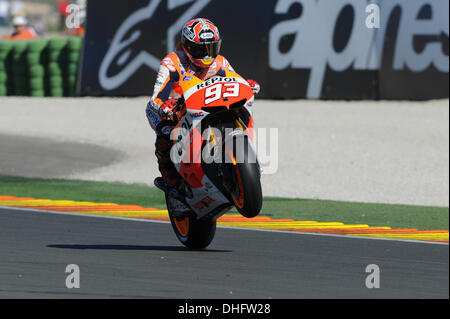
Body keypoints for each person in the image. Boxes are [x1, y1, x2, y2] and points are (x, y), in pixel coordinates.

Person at [146, 18, 260, 193]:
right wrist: (164, 105)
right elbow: (157, 98)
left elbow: (235, 79)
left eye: (211, 48)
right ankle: (172, 183)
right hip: (174, 108)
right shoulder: (172, 62)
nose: (207, 55)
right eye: (201, 49)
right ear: (187, 46)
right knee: (166, 130)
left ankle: (243, 159)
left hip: (207, 104)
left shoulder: (220, 61)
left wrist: (247, 84)